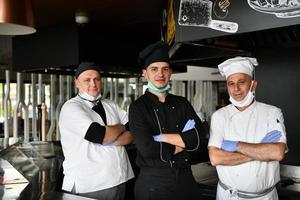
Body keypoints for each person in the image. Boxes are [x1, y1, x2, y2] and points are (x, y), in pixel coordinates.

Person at [129, 41, 208, 200]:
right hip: (154, 184)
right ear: (145, 73)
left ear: (170, 73)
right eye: (154, 69)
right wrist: (181, 142)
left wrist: (160, 138)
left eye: (165, 69)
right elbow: (147, 148)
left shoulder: (182, 103)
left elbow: (199, 139)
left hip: (186, 180)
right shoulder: (138, 108)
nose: (160, 74)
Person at [208, 57, 287, 200]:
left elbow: (277, 153)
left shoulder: (272, 112)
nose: (236, 89)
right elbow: (215, 158)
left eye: (241, 82)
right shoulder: (219, 116)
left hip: (265, 197)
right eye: (231, 84)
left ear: (253, 85)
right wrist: (261, 151)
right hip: (229, 196)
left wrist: (236, 146)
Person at [59, 62, 134, 200]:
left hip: (120, 178)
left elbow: (133, 131)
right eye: (87, 80)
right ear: (77, 83)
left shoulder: (110, 104)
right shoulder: (71, 107)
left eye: (97, 79)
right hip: (90, 184)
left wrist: (111, 135)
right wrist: (121, 127)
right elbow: (100, 136)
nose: (93, 84)